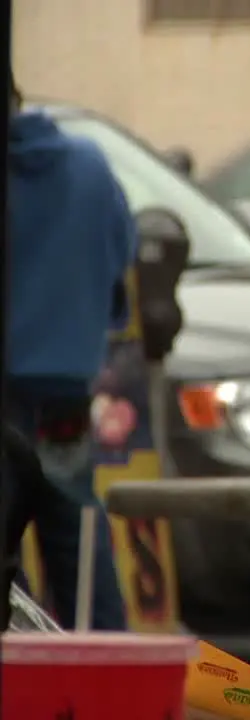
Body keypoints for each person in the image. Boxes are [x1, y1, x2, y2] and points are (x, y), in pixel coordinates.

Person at [5, 73, 133, 630]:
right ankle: (107, 671)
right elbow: (122, 250)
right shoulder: (88, 164)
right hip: (66, 388)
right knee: (75, 530)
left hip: (6, 392)